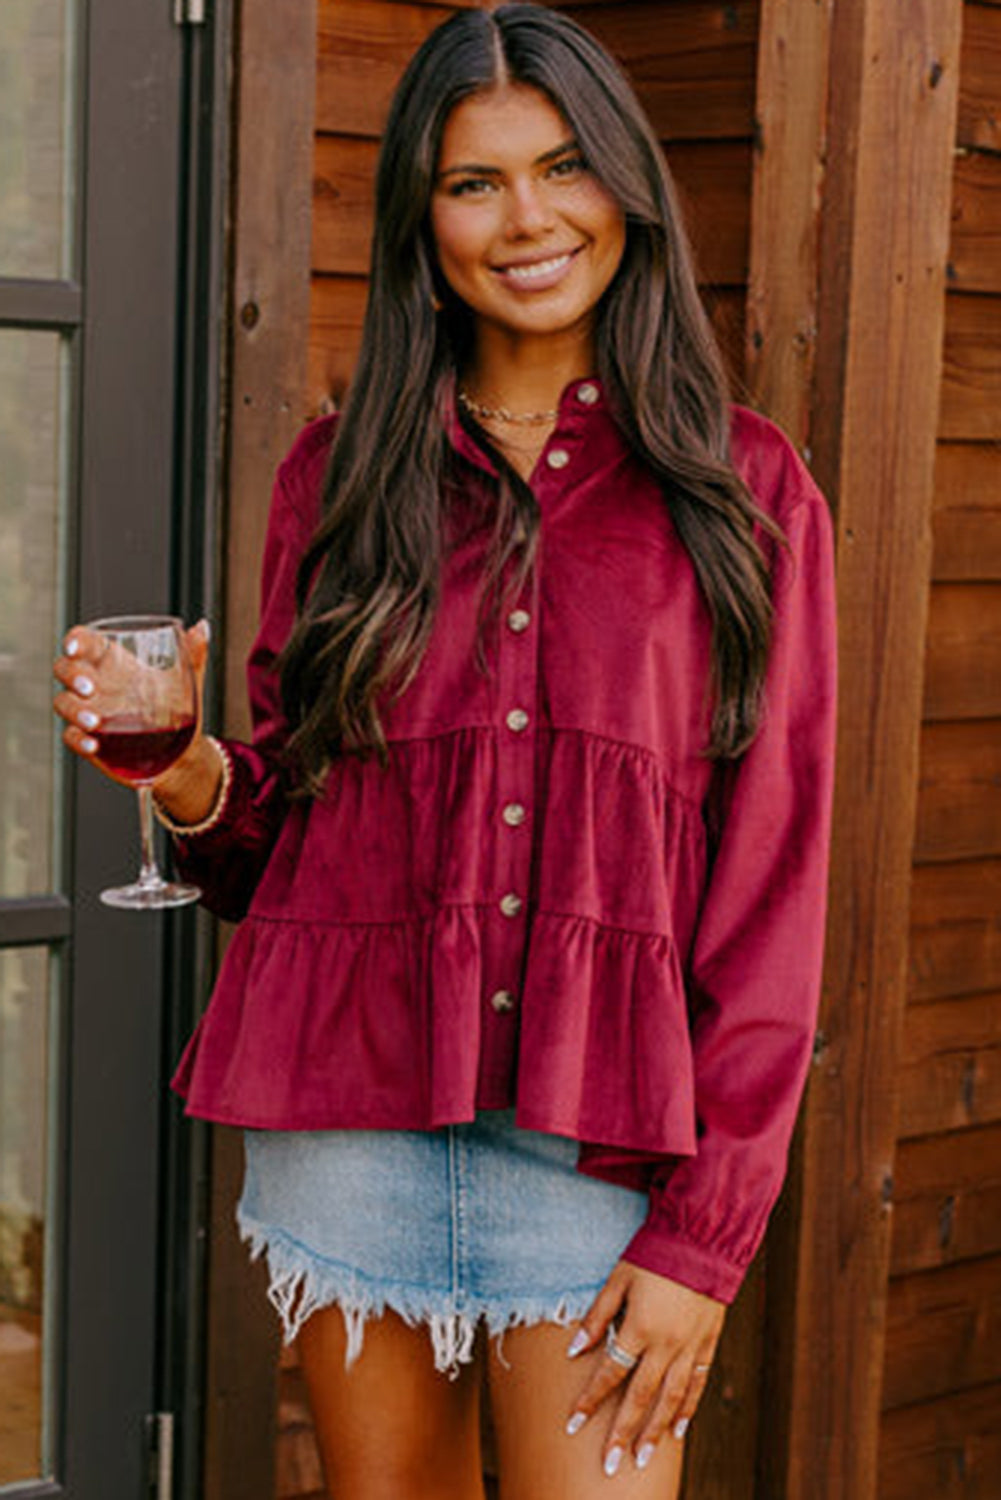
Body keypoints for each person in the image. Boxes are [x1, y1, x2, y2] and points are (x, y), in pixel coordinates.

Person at [53, 5, 837, 1496]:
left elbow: (774, 885)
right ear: (421, 213)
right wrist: (190, 777)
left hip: (606, 1158)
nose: (526, 218)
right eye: (473, 182)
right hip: (352, 1125)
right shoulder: (337, 474)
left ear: (627, 193)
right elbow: (284, 846)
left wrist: (704, 1237)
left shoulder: (747, 494)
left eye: (563, 168)